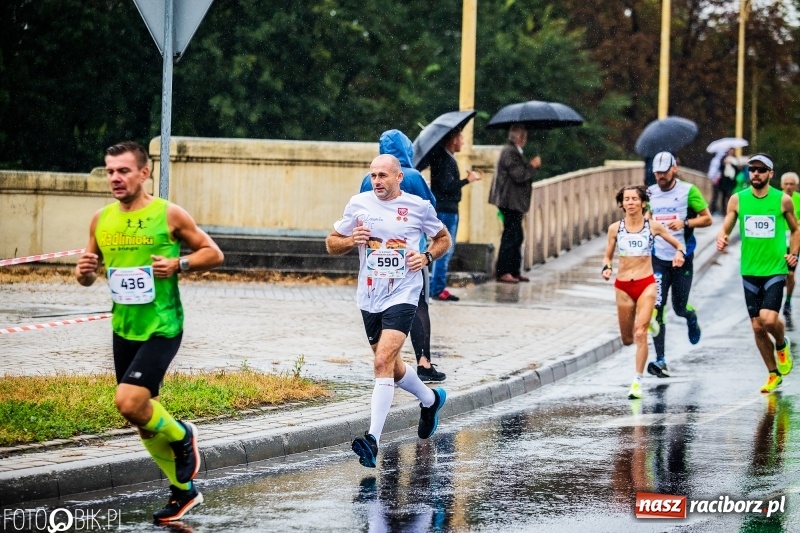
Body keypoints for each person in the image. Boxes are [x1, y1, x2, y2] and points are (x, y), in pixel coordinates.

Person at [75, 141, 224, 522]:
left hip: (162, 325)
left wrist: (180, 263)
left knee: (127, 402)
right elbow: (89, 275)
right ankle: (183, 493)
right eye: (109, 171)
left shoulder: (169, 214)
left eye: (123, 171)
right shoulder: (101, 219)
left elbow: (213, 253)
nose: (115, 178)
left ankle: (181, 435)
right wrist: (84, 272)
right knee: (141, 418)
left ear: (144, 173)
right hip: (124, 328)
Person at [328, 154, 451, 468]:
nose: (377, 181)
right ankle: (430, 400)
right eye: (373, 175)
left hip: (403, 293)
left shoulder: (418, 207)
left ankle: (372, 439)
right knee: (391, 366)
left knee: (381, 361)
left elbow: (443, 239)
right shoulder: (359, 204)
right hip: (369, 296)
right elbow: (331, 242)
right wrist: (349, 240)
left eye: (383, 175)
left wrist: (425, 257)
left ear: (399, 177)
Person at [360, 129, 445, 382]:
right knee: (419, 305)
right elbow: (431, 208)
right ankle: (423, 361)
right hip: (411, 254)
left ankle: (386, 363)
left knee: (382, 308)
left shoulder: (369, 179)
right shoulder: (413, 176)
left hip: (376, 256)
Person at [717, 154, 798, 393]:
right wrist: (722, 237)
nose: (756, 174)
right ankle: (773, 373)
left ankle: (782, 345)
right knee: (756, 326)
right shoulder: (737, 200)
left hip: (775, 268)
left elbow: (796, 230)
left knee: (769, 319)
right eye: (752, 169)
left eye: (761, 170)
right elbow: (727, 226)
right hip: (749, 269)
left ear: (771, 174)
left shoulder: (782, 200)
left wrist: (793, 254)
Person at [602, 185, 686, 399]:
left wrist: (679, 254)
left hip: (646, 283)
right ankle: (650, 322)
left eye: (634, 199)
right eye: (626, 199)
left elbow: (679, 244)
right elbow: (607, 256)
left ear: (642, 203)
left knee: (641, 334)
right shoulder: (615, 229)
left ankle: (637, 382)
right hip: (623, 286)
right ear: (622, 203)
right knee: (628, 339)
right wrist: (607, 267)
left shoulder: (653, 226)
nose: (630, 202)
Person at [646, 152, 713, 378]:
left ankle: (691, 317)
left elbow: (707, 218)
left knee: (679, 307)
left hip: (683, 255)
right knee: (657, 307)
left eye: (664, 172)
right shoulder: (650, 193)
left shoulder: (688, 191)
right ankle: (661, 359)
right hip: (658, 259)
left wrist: (684, 222)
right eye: (657, 173)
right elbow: (646, 219)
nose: (660, 177)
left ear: (674, 168)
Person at [426, 129, 482, 301]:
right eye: (460, 138)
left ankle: (436, 286)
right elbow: (447, 187)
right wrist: (468, 180)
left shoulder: (445, 157)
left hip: (446, 208)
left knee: (443, 248)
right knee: (444, 248)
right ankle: (437, 288)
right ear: (452, 140)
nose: (463, 142)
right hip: (446, 209)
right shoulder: (444, 159)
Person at [488, 123, 542, 283]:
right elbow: (519, 175)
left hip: (513, 201)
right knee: (510, 236)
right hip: (509, 201)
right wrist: (532, 166)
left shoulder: (514, 152)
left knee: (517, 236)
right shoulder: (510, 152)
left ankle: (514, 270)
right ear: (520, 137)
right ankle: (504, 271)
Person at [780, 172, 800, 330]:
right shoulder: (776, 198)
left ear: (796, 186)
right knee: (778, 274)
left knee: (791, 274)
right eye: (786, 183)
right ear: (781, 185)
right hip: (777, 243)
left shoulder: (799, 199)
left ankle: (787, 302)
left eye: (791, 184)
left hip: (793, 241)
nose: (788, 186)